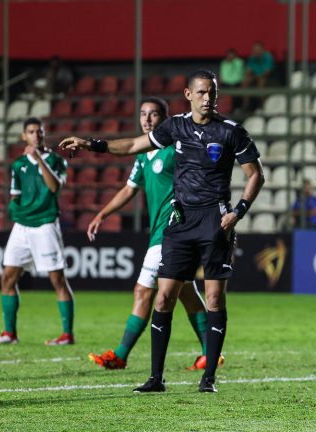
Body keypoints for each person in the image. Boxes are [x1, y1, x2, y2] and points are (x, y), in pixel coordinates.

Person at [60, 69, 264, 393]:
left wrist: (238, 211)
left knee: (212, 298)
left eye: (212, 93)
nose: (207, 98)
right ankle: (156, 378)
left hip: (215, 221)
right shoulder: (175, 127)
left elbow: (256, 175)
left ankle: (208, 377)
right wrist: (91, 144)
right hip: (180, 222)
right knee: (164, 296)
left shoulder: (231, 132)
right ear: (188, 95)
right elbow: (132, 145)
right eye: (201, 93)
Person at [85, 97, 222, 371]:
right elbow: (129, 188)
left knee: (143, 290)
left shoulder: (174, 148)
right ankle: (211, 353)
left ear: (164, 119)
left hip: (172, 231)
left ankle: (121, 354)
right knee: (185, 292)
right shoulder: (143, 153)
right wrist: (103, 213)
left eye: (154, 114)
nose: (147, 119)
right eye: (143, 114)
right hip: (161, 231)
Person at [0, 117, 75, 346]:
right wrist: (17, 210)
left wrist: (38, 161)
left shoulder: (55, 161)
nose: (36, 135)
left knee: (57, 280)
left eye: (39, 132)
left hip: (45, 224)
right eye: (31, 132)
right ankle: (9, 333)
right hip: (22, 226)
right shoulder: (18, 164)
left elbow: (54, 187)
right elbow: (15, 195)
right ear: (24, 136)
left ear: (44, 135)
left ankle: (67, 335)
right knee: (7, 277)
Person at [241, 41, 274, 110]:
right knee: (245, 81)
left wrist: (259, 75)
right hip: (255, 76)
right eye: (255, 50)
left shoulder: (268, 56)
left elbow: (268, 72)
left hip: (267, 77)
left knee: (261, 82)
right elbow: (248, 70)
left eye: (258, 50)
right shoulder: (252, 58)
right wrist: (248, 74)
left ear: (262, 50)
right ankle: (246, 105)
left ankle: (263, 105)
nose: (256, 51)